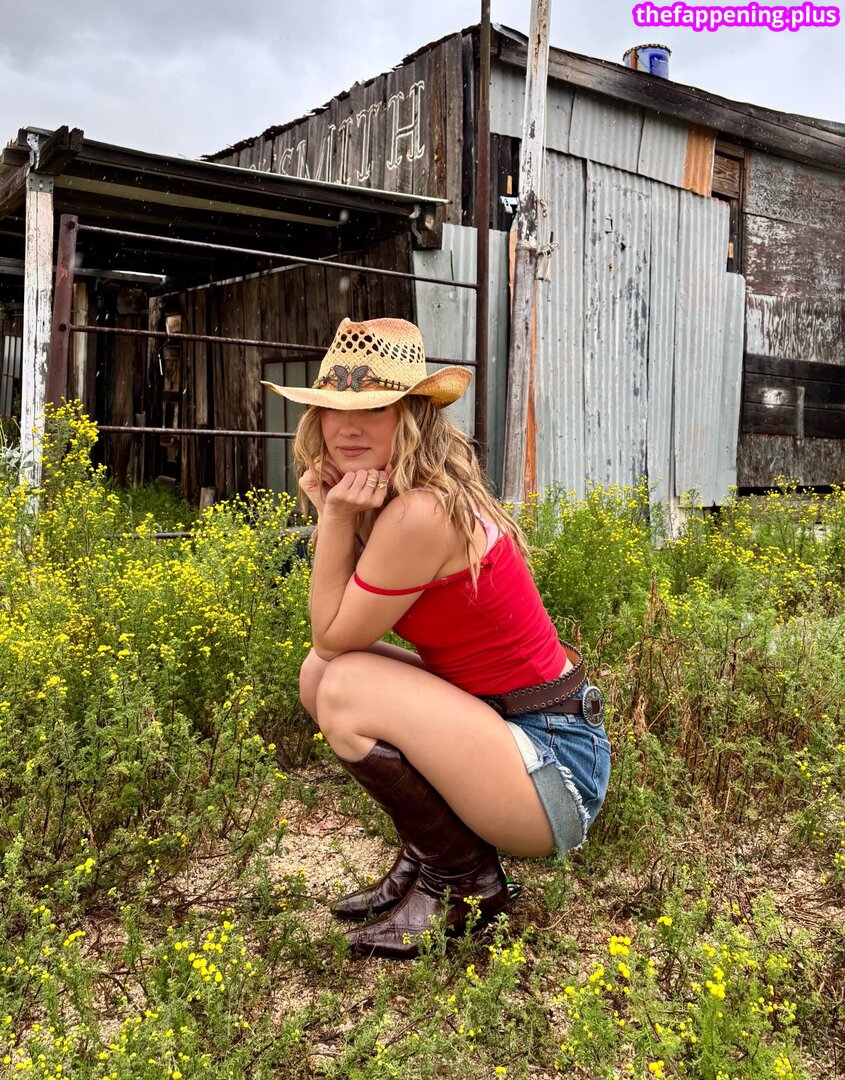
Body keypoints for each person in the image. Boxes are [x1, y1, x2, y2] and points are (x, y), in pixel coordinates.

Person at [262, 317, 611, 960]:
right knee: (319, 676)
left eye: (374, 407)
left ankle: (464, 885)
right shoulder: (400, 499)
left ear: (412, 417)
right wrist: (343, 513)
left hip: (554, 769)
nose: (347, 427)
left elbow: (333, 635)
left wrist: (332, 515)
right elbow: (331, 645)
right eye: (334, 408)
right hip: (507, 732)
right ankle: (429, 859)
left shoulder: (419, 512)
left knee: (339, 681)